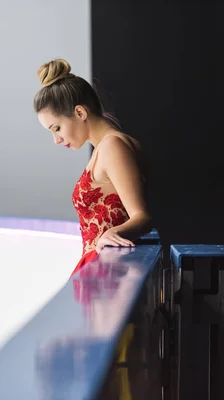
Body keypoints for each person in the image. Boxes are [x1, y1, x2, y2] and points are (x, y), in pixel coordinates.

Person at [33, 58, 152, 275]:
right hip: (99, 266)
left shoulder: (113, 146)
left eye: (57, 128)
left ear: (80, 113)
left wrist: (111, 233)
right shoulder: (107, 147)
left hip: (107, 270)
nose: (56, 139)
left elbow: (142, 216)